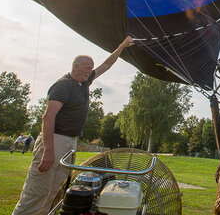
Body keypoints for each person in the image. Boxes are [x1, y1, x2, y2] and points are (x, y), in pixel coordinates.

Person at [12, 36, 134, 215]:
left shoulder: (83, 84)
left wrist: (121, 46)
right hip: (55, 139)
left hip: (70, 142)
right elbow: (48, 118)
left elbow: (106, 65)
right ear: (75, 67)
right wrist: (48, 150)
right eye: (87, 68)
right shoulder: (63, 86)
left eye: (91, 69)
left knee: (57, 190)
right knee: (38, 190)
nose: (90, 72)